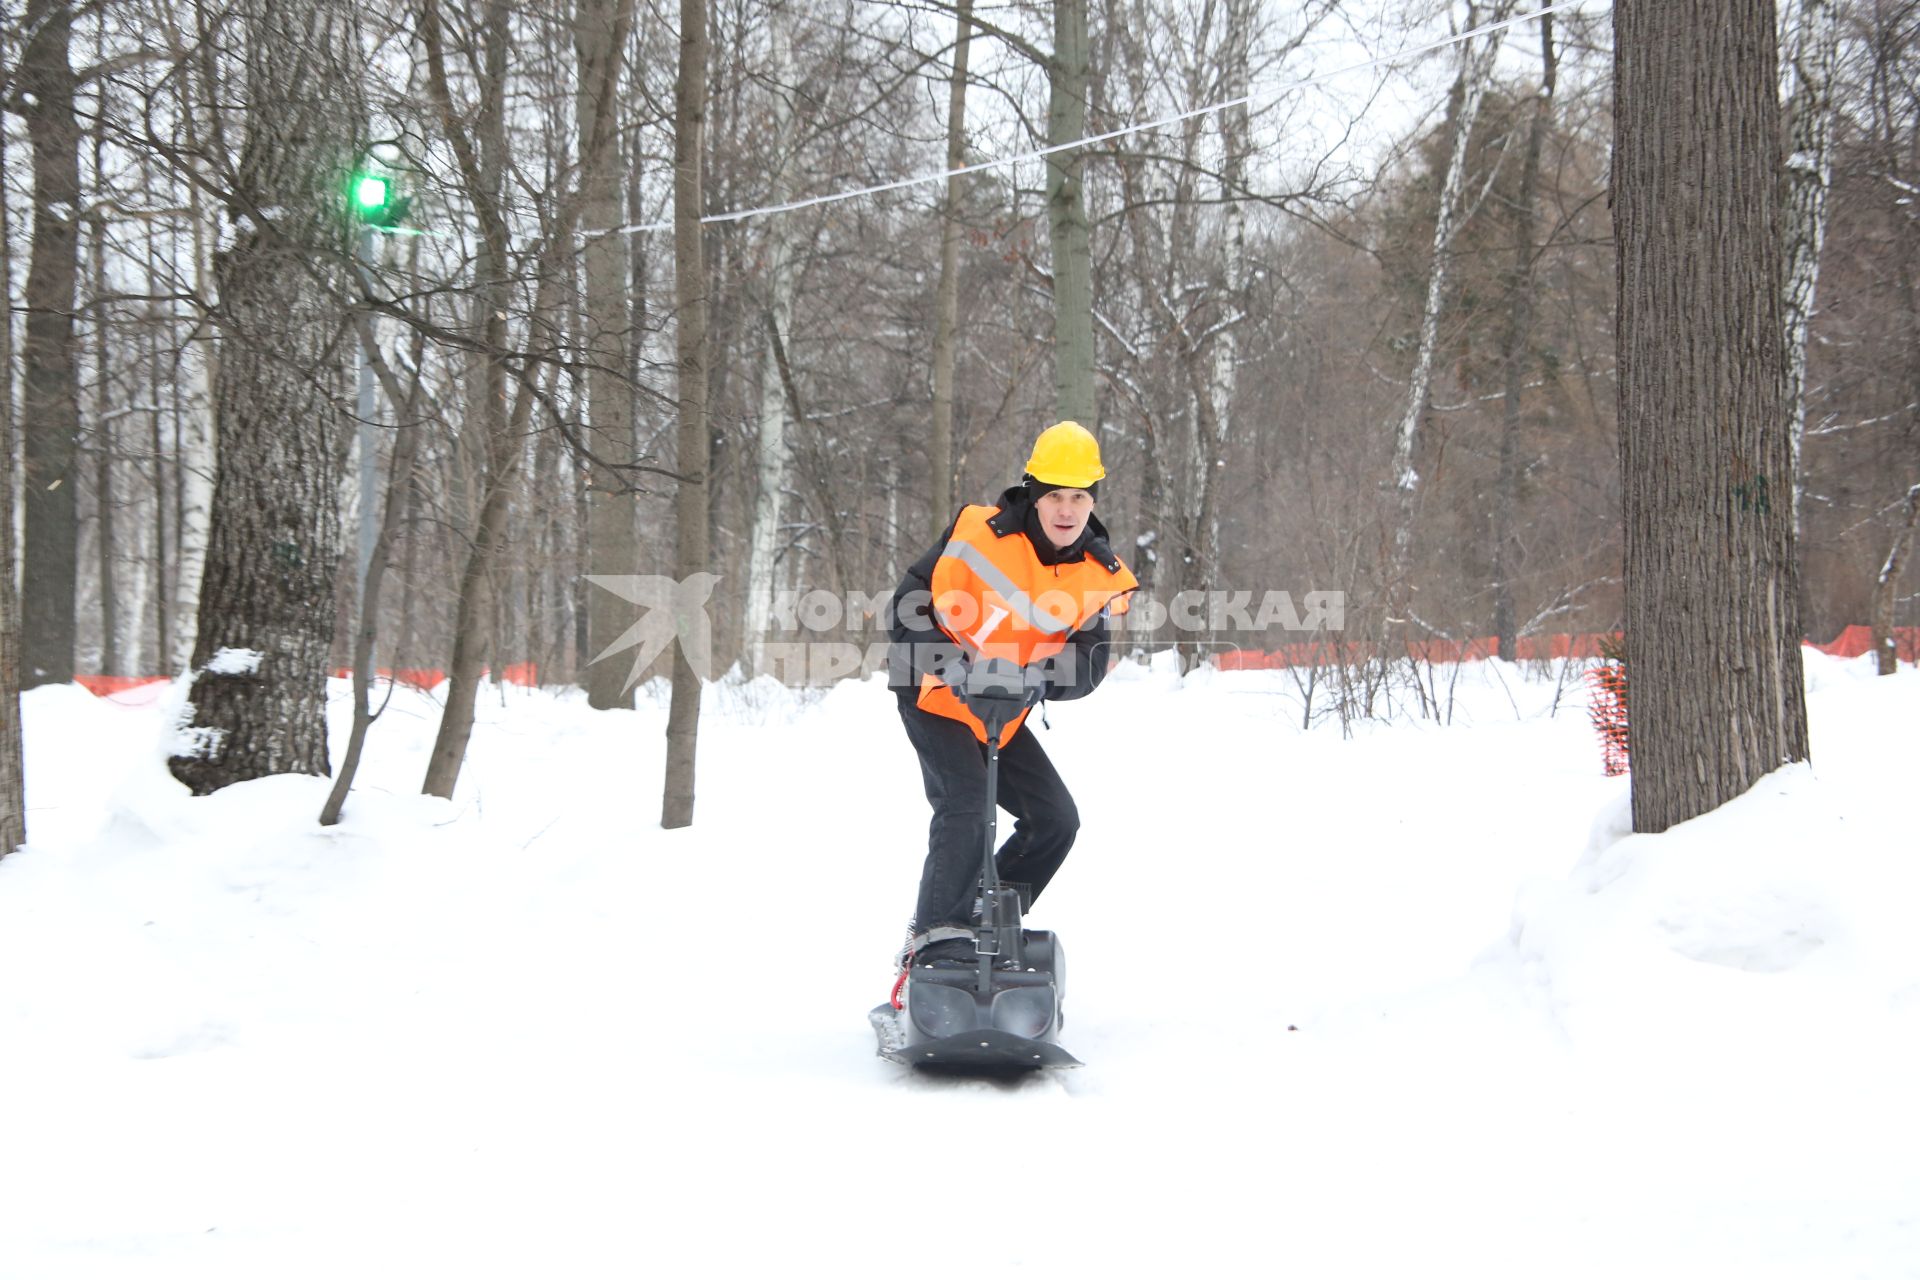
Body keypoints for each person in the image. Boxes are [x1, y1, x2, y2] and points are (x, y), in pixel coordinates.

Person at [886, 421, 1138, 967]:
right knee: (967, 807)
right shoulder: (978, 533)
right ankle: (936, 938)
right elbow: (905, 609)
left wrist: (1038, 679)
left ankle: (984, 909)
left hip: (1003, 706)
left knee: (1055, 821)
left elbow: (1089, 660)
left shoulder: (1097, 572)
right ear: (1033, 492)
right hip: (934, 693)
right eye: (1055, 496)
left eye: (1079, 497)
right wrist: (952, 665)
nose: (1067, 510)